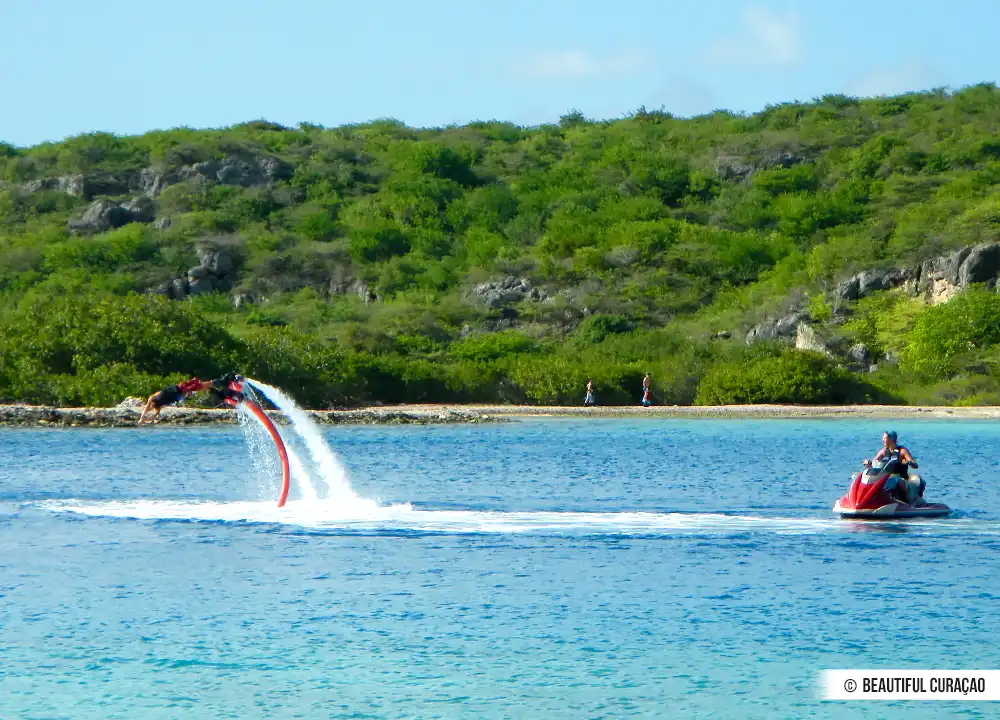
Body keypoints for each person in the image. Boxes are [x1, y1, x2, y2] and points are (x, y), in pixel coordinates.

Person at [137, 377, 213, 424]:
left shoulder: (152, 398)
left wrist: (142, 418)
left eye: (150, 406)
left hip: (171, 391)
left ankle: (212, 383)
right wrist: (147, 420)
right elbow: (154, 415)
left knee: (192, 386)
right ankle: (211, 384)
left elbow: (146, 408)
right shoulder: (158, 407)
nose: (150, 407)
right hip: (176, 396)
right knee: (195, 388)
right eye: (151, 408)